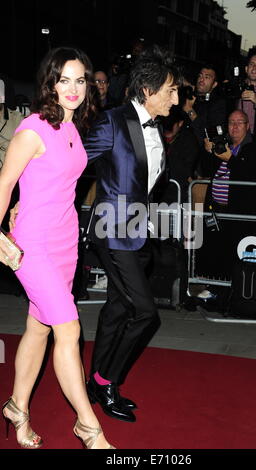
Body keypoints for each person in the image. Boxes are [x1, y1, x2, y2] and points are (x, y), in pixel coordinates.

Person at [0, 47, 114, 449]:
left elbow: (47, 183)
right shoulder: (32, 128)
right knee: (69, 329)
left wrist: (20, 203)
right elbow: (4, 183)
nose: (73, 88)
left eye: (80, 79)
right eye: (64, 79)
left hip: (65, 241)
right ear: (49, 82)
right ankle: (89, 428)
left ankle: (17, 407)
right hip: (34, 245)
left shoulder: (71, 127)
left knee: (38, 326)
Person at [84, 45, 181, 423]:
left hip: (141, 234)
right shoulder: (112, 122)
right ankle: (107, 381)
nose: (176, 98)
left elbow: (147, 182)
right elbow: (74, 162)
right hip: (112, 232)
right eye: (170, 90)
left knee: (117, 308)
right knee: (144, 312)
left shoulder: (159, 128)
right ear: (148, 91)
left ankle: (94, 381)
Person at [202, 109, 256, 214]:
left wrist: (230, 159)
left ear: (248, 126)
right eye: (231, 122)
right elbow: (206, 171)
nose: (235, 126)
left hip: (239, 210)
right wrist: (208, 151)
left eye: (240, 122)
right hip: (214, 207)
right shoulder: (223, 145)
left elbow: (252, 178)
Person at [182, 64, 227, 145]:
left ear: (214, 84)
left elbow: (211, 134)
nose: (201, 80)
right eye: (200, 76)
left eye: (207, 77)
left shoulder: (218, 104)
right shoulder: (190, 95)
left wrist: (190, 111)